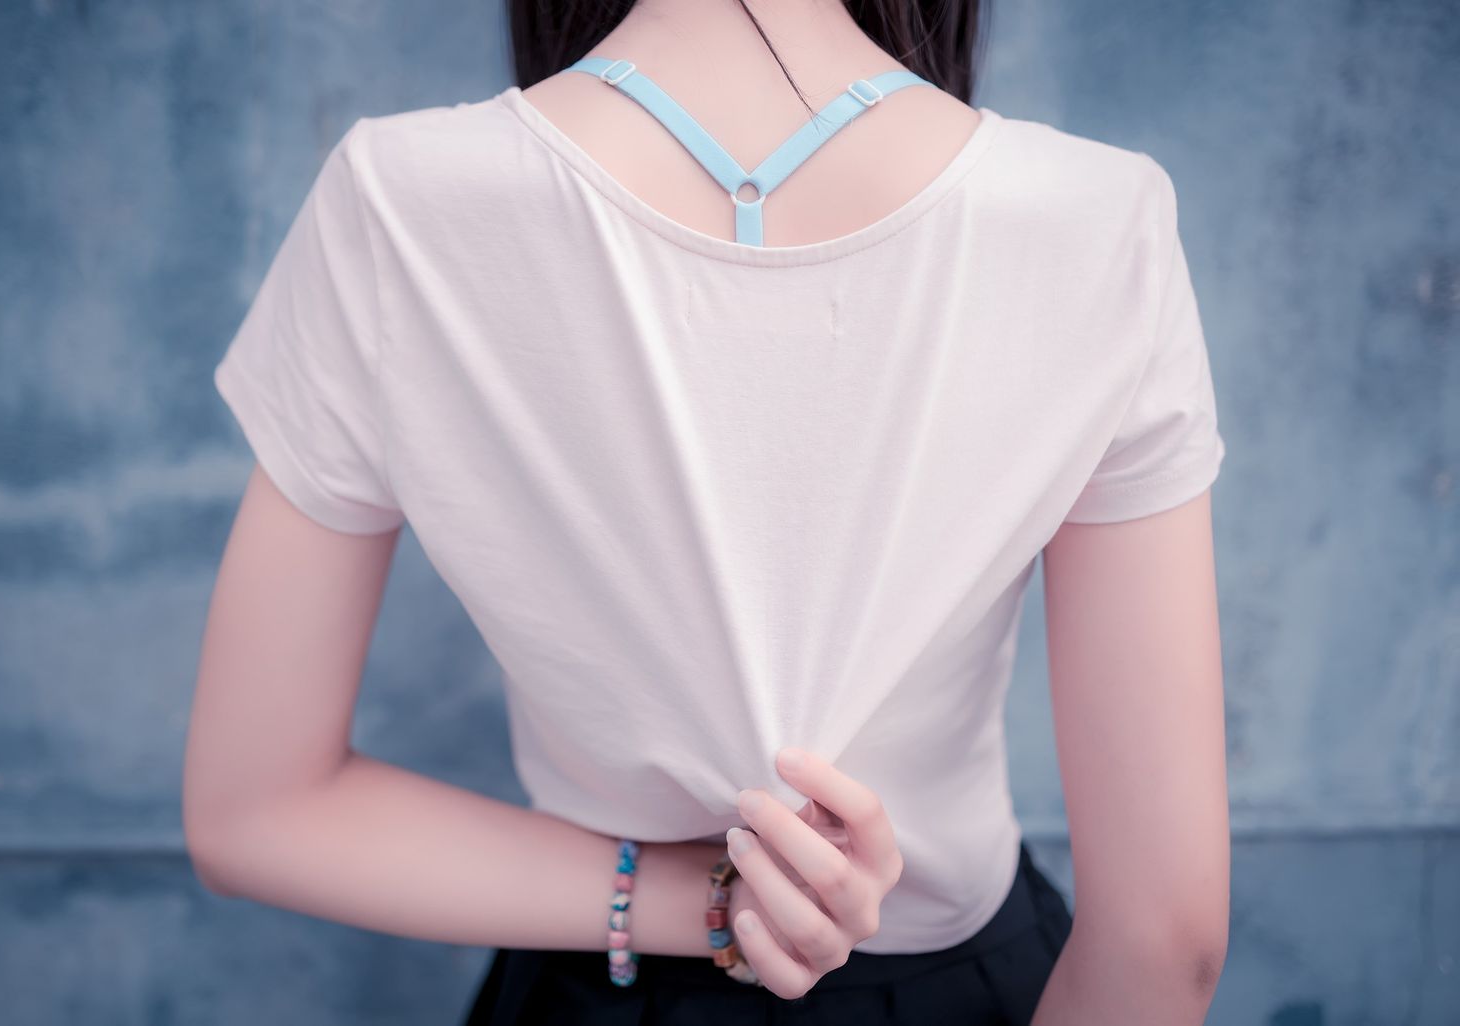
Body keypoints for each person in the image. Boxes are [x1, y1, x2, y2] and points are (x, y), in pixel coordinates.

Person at [183, 0, 1232, 1022]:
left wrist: (709, 903)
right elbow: (1164, 941)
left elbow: (258, 811)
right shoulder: (1097, 217)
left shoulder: (398, 198)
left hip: (599, 986)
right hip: (966, 983)